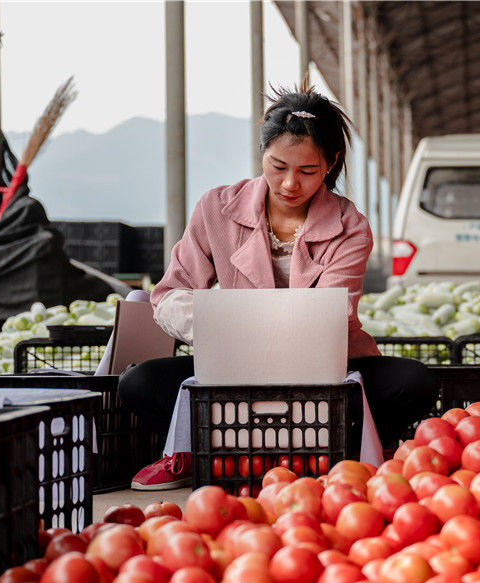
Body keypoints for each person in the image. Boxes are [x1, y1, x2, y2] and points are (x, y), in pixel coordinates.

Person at [120, 80, 436, 490]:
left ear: (330, 163)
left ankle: (307, 446)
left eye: (307, 171)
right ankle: (200, 450)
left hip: (326, 372)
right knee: (138, 382)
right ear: (262, 156)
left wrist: (263, 331)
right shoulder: (216, 207)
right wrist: (215, 328)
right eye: (277, 166)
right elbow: (170, 292)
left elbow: (334, 315)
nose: (290, 184)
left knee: (414, 381)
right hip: (231, 371)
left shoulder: (350, 226)